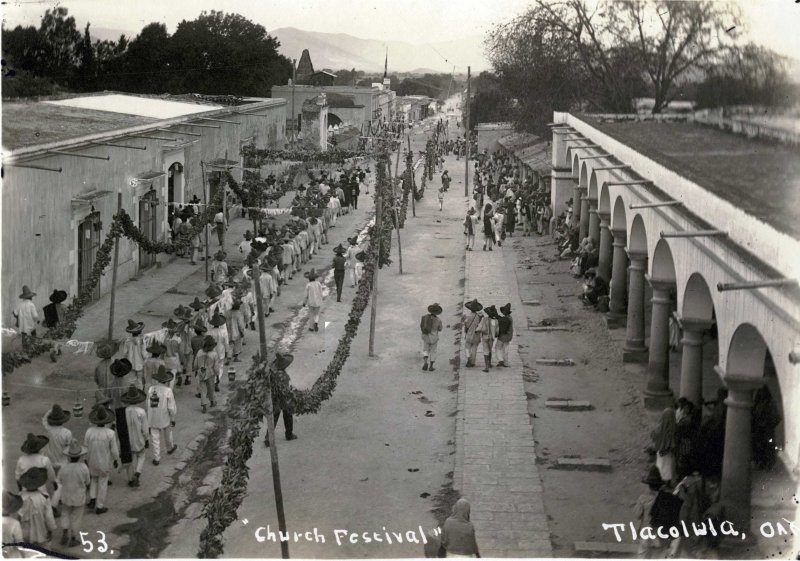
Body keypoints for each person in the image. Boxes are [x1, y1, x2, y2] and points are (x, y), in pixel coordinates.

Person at [83, 405, 119, 515]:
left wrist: (85, 459)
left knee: (94, 479)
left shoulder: (89, 431)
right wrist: (116, 459)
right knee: (103, 483)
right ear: (106, 421)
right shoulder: (110, 433)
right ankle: (100, 506)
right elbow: (114, 449)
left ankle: (92, 499)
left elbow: (85, 446)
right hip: (104, 462)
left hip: (91, 460)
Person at [56, 440, 90, 547]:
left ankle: (65, 533)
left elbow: (59, 481)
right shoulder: (83, 467)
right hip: (79, 496)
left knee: (65, 513)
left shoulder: (64, 467)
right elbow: (87, 481)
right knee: (76, 517)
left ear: (68, 457)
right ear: (80, 456)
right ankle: (74, 537)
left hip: (66, 495)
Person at [264, 353, 298, 446]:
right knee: (288, 414)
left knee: (274, 417)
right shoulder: (282, 375)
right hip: (282, 397)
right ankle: (289, 434)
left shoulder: (273, 372)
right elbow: (284, 390)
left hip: (274, 397)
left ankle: (268, 437)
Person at [147, 366, 177, 465]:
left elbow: (148, 404)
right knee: (168, 433)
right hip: (164, 416)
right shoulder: (168, 390)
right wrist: (173, 417)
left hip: (152, 417)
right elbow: (171, 407)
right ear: (166, 380)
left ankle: (157, 458)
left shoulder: (151, 389)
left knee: (155, 437)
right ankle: (170, 448)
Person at [633, 466, 666, 558]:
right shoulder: (665, 498)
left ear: (649, 485)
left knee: (642, 556)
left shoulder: (643, 498)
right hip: (660, 534)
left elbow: (637, 515)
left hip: (646, 532)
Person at [17, 468, 56, 545]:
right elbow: (48, 516)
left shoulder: (21, 496)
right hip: (41, 530)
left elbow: (18, 516)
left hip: (25, 531)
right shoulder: (44, 496)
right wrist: (50, 529)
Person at [121, 386, 149, 488]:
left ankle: (130, 479)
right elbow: (145, 429)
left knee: (130, 460)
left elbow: (121, 429)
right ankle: (137, 473)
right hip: (139, 439)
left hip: (128, 441)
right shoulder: (141, 412)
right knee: (141, 456)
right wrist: (147, 439)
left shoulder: (123, 411)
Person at [651, 407, 677, 484]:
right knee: (668, 467)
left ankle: (659, 481)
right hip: (669, 453)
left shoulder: (659, 427)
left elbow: (653, 436)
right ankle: (668, 482)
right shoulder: (674, 428)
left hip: (660, 451)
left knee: (661, 466)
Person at [194, 336, 219, 413]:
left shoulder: (199, 352)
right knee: (211, 388)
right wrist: (217, 375)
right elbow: (216, 367)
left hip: (201, 372)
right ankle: (212, 402)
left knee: (203, 389)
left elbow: (195, 364)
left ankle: (204, 405)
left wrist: (196, 370)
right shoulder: (214, 354)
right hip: (210, 373)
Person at [13, 285, 39, 353]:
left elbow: (15, 313)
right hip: (30, 325)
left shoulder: (20, 304)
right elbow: (35, 316)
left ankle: (25, 349)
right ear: (30, 297)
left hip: (22, 325)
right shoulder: (31, 305)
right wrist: (37, 320)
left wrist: (18, 319)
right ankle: (34, 347)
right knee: (33, 334)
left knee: (24, 336)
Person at [123, 319, 146, 389]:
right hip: (140, 363)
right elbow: (144, 354)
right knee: (140, 380)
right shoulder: (142, 341)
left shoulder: (127, 341)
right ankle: (140, 393)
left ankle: (131, 393)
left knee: (131, 381)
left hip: (130, 363)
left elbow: (124, 353)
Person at [420, 303, 444, 371]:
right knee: (433, 351)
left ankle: (425, 362)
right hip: (434, 338)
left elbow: (422, 326)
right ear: (437, 312)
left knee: (425, 350)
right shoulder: (438, 320)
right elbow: (440, 329)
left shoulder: (425, 317)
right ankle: (431, 366)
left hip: (426, 336)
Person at [478, 305, 498, 372]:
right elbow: (497, 332)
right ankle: (489, 363)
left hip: (485, 337)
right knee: (490, 350)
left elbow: (480, 327)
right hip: (491, 338)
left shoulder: (484, 319)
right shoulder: (495, 321)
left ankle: (486, 367)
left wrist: (476, 331)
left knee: (485, 351)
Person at [463, 299, 483, 368]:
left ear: (470, 308)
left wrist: (466, 332)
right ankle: (473, 362)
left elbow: (466, 326)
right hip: (476, 335)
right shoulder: (479, 317)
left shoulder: (467, 316)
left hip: (469, 334)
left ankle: (468, 357)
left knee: (467, 347)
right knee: (474, 349)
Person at [495, 303, 513, 367]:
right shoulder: (510, 318)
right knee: (505, 349)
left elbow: (502, 323)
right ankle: (506, 363)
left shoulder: (506, 319)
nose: (503, 312)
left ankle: (501, 360)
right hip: (508, 336)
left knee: (497, 348)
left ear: (506, 312)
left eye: (504, 311)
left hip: (503, 336)